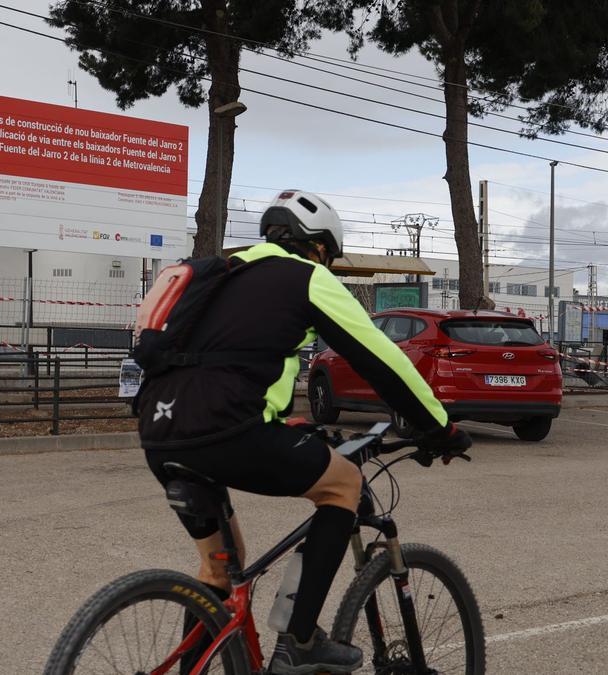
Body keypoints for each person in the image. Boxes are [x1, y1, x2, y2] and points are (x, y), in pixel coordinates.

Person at [137, 190, 472, 674]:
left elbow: (221, 363)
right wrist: (438, 427)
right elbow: (380, 358)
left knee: (218, 569)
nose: (328, 265)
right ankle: (300, 639)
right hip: (229, 432)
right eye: (329, 256)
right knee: (344, 485)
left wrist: (281, 423)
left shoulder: (220, 272)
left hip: (160, 431)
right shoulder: (307, 277)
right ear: (317, 247)